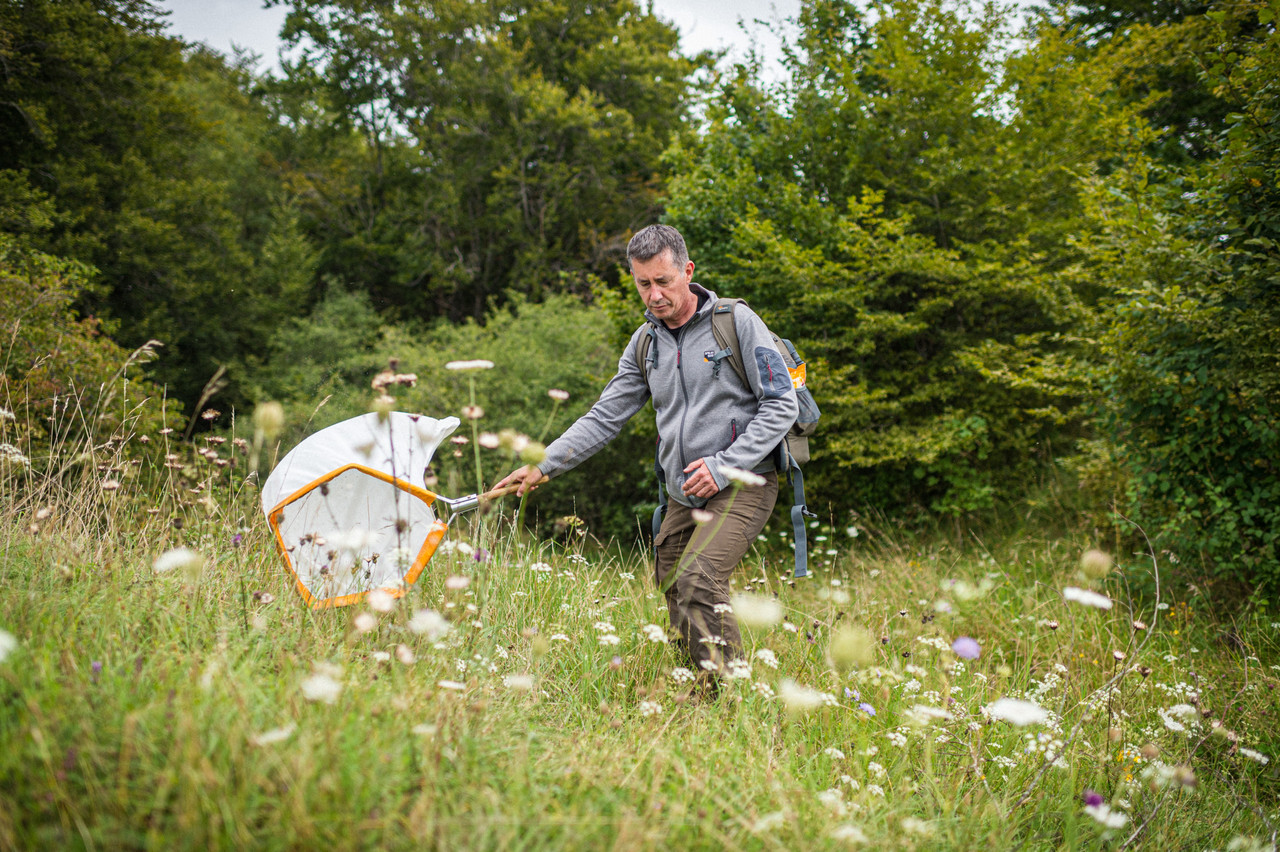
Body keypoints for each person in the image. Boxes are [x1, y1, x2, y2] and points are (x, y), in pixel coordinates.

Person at [494, 224, 798, 683]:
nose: (654, 294)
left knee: (699, 580)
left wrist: (722, 466)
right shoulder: (645, 344)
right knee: (674, 583)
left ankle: (732, 699)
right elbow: (604, 416)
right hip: (683, 492)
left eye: (663, 281)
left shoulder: (734, 323)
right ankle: (695, 688)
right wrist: (544, 464)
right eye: (643, 283)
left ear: (688, 271)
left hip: (744, 480)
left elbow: (781, 404)